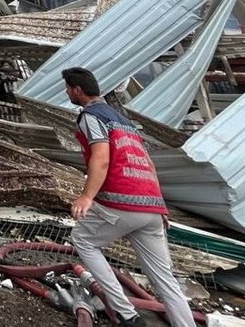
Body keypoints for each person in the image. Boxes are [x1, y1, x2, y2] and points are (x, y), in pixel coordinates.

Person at [62, 67, 195, 327]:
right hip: (152, 206)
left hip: (122, 201)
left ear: (77, 90)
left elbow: (101, 157)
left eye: (68, 88)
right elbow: (149, 164)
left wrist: (87, 197)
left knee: (83, 239)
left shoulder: (90, 116)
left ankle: (126, 313)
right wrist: (162, 207)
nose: (67, 92)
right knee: (163, 278)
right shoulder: (124, 121)